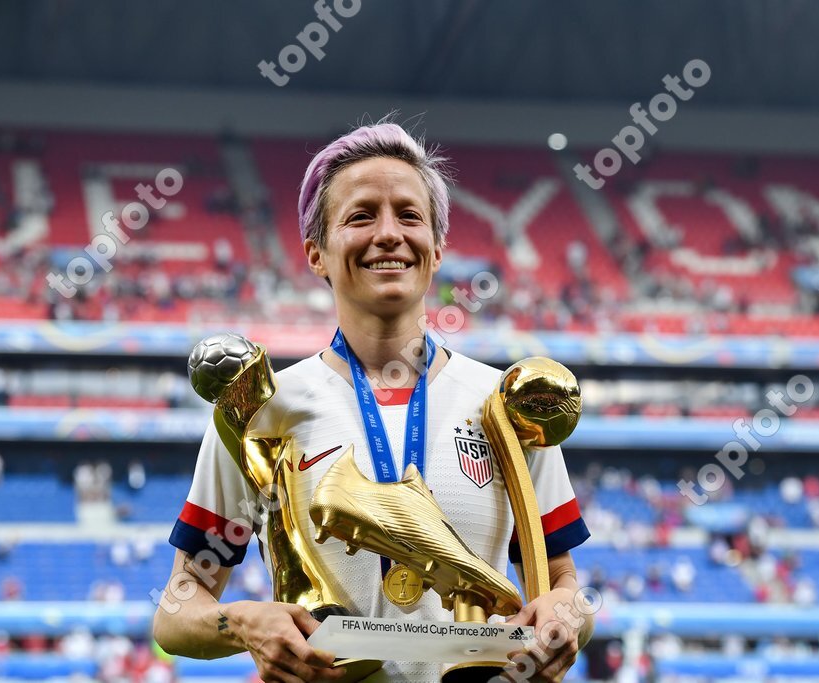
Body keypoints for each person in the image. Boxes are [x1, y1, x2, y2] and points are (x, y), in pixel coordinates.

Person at [153, 121, 592, 682]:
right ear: (317, 254)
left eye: (409, 215)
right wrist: (243, 623)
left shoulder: (504, 405)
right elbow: (175, 613)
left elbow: (563, 585)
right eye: (361, 216)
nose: (389, 234)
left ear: (437, 250)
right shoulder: (259, 409)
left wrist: (567, 617)